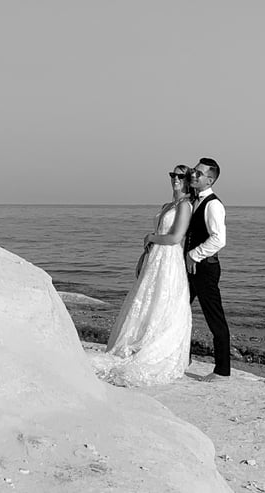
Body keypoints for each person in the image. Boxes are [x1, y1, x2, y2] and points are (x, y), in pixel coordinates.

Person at [89, 166, 193, 387]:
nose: (175, 179)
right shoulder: (168, 205)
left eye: (180, 176)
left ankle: (152, 347)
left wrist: (151, 237)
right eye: (172, 175)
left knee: (163, 301)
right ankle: (136, 343)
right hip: (155, 257)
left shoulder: (185, 205)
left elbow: (175, 238)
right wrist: (145, 253)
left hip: (168, 258)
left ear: (187, 181)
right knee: (146, 299)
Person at [185, 157, 231, 381]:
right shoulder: (193, 200)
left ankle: (222, 371)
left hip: (205, 268)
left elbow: (219, 239)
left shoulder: (213, 204)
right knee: (179, 311)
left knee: (215, 319)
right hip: (189, 268)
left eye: (199, 173)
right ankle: (182, 358)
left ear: (210, 180)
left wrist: (194, 254)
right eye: (194, 171)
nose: (194, 175)